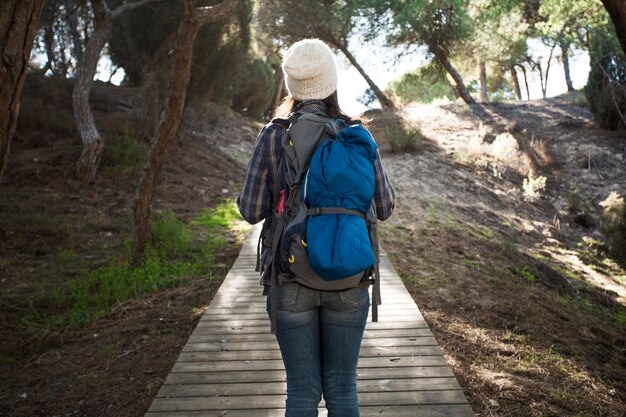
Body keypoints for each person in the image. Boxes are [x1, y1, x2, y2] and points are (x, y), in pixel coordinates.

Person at [237, 38, 395, 417]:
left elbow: (250, 210)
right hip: (350, 278)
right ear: (332, 82)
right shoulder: (357, 135)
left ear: (292, 85)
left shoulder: (274, 134)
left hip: (290, 279)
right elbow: (385, 207)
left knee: (303, 392)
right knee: (342, 388)